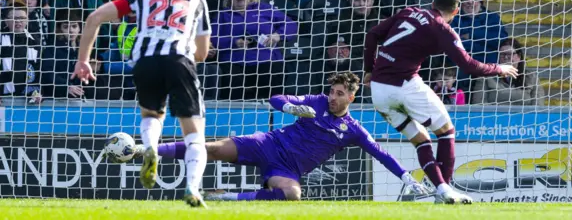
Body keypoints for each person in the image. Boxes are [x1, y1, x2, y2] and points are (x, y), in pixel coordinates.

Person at [104, 72, 429, 201]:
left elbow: (380, 153)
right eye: (332, 91)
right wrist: (290, 108)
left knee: (293, 196)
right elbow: (276, 97)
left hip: (286, 170)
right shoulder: (315, 102)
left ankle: (222, 197)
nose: (332, 96)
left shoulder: (354, 130)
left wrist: (405, 176)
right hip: (268, 144)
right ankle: (144, 152)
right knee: (211, 148)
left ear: (351, 98)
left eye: (339, 93)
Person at [71, 0, 212, 207]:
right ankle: (192, 188)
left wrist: (83, 60)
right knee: (194, 135)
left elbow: (94, 17)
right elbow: (201, 53)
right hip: (179, 59)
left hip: (145, 60)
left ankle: (150, 147)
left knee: (152, 114)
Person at [362, 0, 518, 204]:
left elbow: (372, 34)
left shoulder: (408, 11)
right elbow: (469, 65)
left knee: (421, 139)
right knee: (446, 131)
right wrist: (498, 68)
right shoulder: (442, 28)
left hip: (379, 90)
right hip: (404, 85)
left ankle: (442, 190)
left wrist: (369, 69)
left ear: (433, 3)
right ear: (456, 12)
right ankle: (444, 191)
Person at [471, 38, 544, 105]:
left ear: (518, 57)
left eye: (509, 54)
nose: (505, 57)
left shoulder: (532, 78)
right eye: (502, 54)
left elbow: (538, 107)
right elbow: (479, 104)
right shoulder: (485, 76)